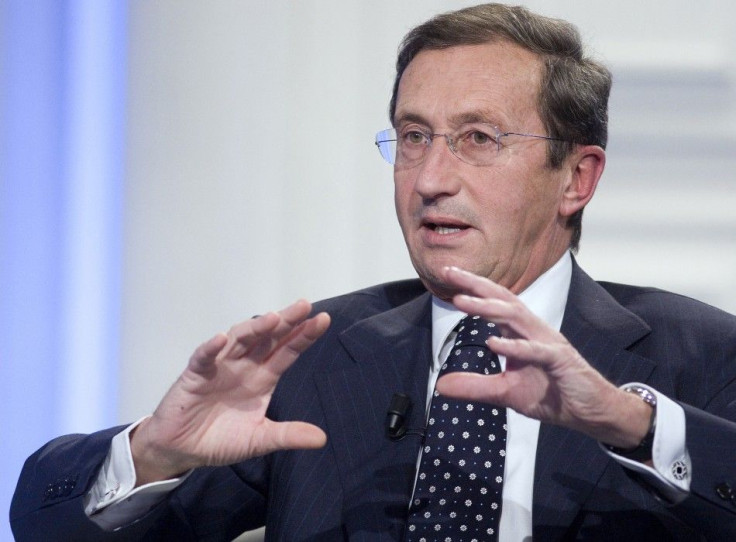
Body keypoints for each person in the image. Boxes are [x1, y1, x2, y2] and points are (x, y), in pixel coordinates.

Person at [10, 3, 736, 541]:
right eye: (414, 137)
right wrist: (154, 451)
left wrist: (631, 424)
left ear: (577, 177)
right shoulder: (316, 357)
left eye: (478, 139)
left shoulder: (697, 356)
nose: (430, 179)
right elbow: (44, 523)